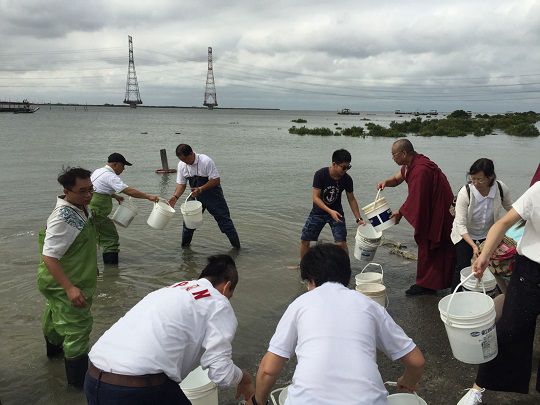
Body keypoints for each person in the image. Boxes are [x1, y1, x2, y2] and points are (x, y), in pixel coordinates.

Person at [248, 244, 425, 405]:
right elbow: (416, 361)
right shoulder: (369, 305)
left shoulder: (300, 304)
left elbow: (268, 370)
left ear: (310, 280)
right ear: (346, 276)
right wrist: (407, 382)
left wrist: (258, 402)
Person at [84, 254, 254, 404]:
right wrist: (244, 378)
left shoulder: (172, 289)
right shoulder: (219, 301)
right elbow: (220, 373)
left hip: (93, 378)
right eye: (230, 295)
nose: (228, 299)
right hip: (137, 389)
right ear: (226, 286)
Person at [457, 181, 540, 405]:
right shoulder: (537, 190)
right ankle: (478, 388)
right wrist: (483, 257)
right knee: (509, 328)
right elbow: (503, 223)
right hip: (531, 269)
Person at [37, 167, 97, 387]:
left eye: (91, 189)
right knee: (78, 327)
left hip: (58, 280)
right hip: (64, 281)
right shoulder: (63, 217)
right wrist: (70, 288)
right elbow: (49, 256)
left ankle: (52, 358)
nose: (89, 195)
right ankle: (78, 387)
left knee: (54, 317)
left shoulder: (80, 207)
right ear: (67, 190)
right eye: (83, 191)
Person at [377, 139, 455, 296]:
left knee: (432, 244)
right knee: (431, 247)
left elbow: (416, 197)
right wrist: (386, 182)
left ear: (404, 153)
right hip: (432, 207)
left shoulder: (421, 170)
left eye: (394, 154)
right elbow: (398, 178)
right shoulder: (411, 164)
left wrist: (400, 213)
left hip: (438, 211)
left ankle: (428, 285)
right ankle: (434, 282)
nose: (392, 158)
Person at [450, 158, 512, 290]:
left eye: (480, 179)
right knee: (462, 265)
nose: (476, 183)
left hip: (488, 232)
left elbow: (511, 209)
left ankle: (495, 291)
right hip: (464, 233)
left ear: (490, 177)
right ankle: (455, 294)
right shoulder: (466, 192)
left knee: (493, 264)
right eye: (473, 179)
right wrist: (473, 246)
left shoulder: (500, 188)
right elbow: (460, 224)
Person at [89, 153, 159, 265]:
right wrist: (148, 196)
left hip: (89, 211)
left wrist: (115, 196)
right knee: (111, 239)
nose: (124, 169)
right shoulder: (110, 176)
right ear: (116, 164)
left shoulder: (98, 171)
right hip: (97, 213)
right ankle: (111, 271)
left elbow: (100, 187)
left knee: (95, 237)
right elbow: (128, 190)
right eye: (123, 166)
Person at [168, 144, 241, 248]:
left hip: (213, 196)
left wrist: (201, 189)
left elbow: (216, 180)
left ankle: (237, 249)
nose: (185, 163)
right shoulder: (182, 165)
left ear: (191, 153)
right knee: (188, 224)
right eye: (182, 161)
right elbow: (181, 184)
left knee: (225, 222)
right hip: (195, 197)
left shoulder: (205, 161)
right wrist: (175, 197)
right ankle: (185, 251)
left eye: (186, 160)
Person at [300, 149, 364, 260]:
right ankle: (303, 266)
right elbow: (315, 198)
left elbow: (351, 199)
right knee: (305, 240)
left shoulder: (347, 179)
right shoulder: (321, 174)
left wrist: (359, 219)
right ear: (334, 164)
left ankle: (345, 268)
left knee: (341, 243)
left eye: (348, 167)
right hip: (318, 213)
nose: (346, 170)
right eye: (343, 167)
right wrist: (330, 211)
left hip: (337, 212)